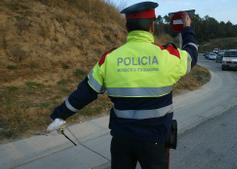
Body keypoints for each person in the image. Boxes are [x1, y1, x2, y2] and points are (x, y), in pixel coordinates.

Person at [47, 1, 198, 169]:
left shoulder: (110, 58)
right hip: (155, 141)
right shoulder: (167, 56)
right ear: (152, 27)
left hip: (122, 142)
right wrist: (187, 29)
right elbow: (191, 55)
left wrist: (59, 115)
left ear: (127, 27)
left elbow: (85, 92)